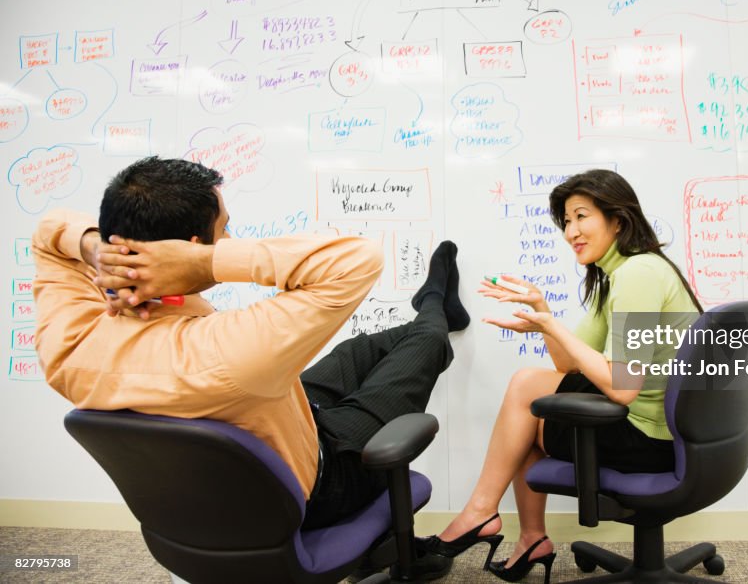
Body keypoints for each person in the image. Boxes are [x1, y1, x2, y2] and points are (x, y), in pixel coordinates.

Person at [33, 156, 469, 542]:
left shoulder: (72, 344)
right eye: (226, 231)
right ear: (191, 248)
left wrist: (98, 250)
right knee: (427, 339)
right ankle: (434, 306)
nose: (230, 239)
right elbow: (359, 258)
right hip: (322, 479)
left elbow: (48, 230)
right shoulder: (228, 351)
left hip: (259, 430)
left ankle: (429, 311)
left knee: (364, 346)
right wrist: (205, 265)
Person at [420, 169, 702, 583]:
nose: (571, 231)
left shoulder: (638, 274)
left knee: (526, 393)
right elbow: (567, 367)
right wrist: (543, 312)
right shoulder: (617, 277)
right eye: (567, 221)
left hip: (654, 440)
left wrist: (549, 328)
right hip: (658, 431)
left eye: (582, 216)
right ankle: (530, 538)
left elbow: (623, 389)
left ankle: (482, 513)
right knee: (530, 406)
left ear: (618, 220)